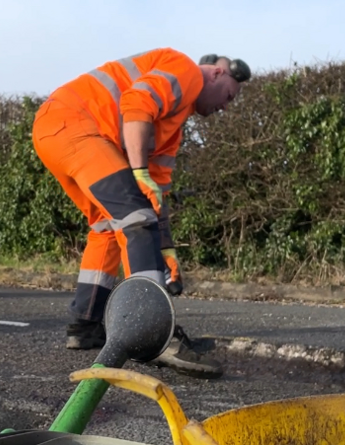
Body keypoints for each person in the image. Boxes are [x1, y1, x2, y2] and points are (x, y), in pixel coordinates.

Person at [31, 48, 251, 379]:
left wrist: (167, 249)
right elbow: (137, 102)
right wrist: (138, 171)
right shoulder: (187, 71)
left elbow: (154, 192)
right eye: (229, 96)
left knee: (107, 227)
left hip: (56, 130)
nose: (225, 107)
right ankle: (154, 336)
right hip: (76, 125)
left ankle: (85, 325)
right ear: (217, 74)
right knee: (136, 219)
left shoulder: (172, 128)